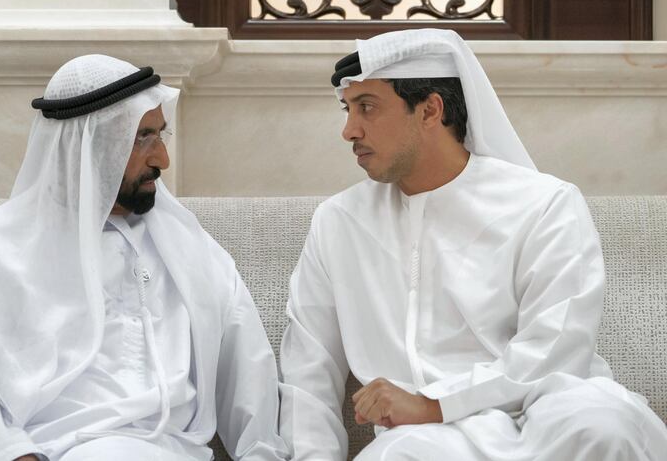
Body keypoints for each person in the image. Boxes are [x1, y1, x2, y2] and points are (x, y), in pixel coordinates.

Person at [278, 28, 667, 460]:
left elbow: (557, 348)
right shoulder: (339, 222)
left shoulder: (544, 204)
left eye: (366, 107)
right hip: (429, 442)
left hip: (549, 417)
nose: (349, 131)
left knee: (602, 423)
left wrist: (432, 402)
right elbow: (308, 372)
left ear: (430, 110)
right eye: (347, 110)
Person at [0, 55, 289, 461]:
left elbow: (249, 376)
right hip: (17, 444)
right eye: (142, 139)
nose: (161, 160)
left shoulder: (192, 251)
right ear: (90, 146)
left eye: (160, 136)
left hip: (133, 447)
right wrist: (5, 451)